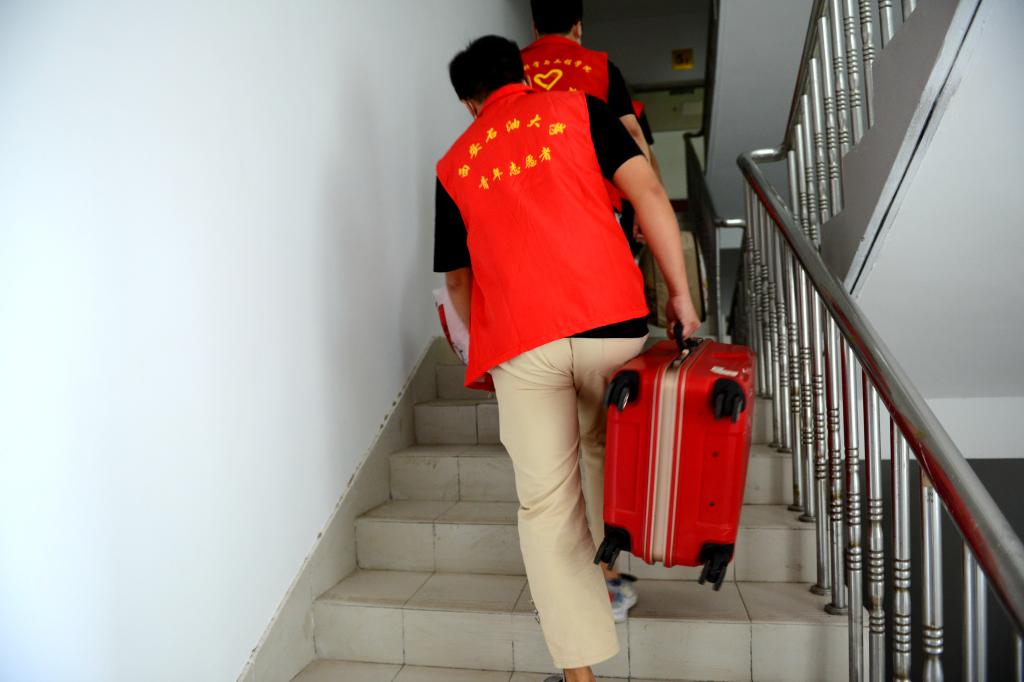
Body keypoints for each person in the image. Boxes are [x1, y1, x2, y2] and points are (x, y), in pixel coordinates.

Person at [433, 35, 700, 682]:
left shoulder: (454, 164)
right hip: (611, 321)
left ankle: (580, 675)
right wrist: (681, 296)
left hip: (522, 344)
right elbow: (649, 193)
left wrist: (486, 348)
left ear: (469, 103)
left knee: (547, 508)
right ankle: (611, 568)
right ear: (524, 74)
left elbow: (458, 282)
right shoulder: (581, 109)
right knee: (610, 452)